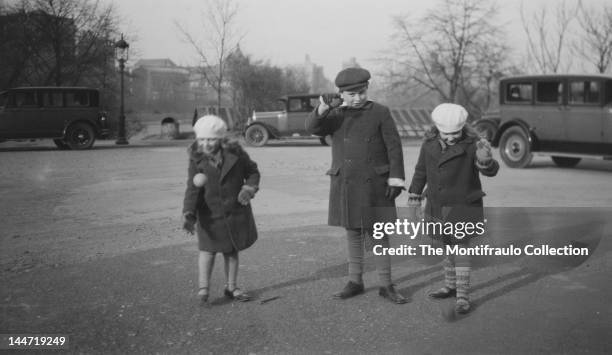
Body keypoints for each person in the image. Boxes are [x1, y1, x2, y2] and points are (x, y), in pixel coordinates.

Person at [306, 67, 407, 304]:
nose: (357, 98)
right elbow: (313, 128)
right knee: (353, 231)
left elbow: (394, 147)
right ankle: (355, 281)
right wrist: (322, 107)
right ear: (341, 94)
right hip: (347, 182)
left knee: (379, 235)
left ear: (367, 89)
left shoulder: (380, 112)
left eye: (361, 92)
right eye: (351, 94)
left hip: (376, 183)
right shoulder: (336, 114)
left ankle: (386, 284)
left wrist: (396, 178)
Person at [407, 103, 499, 314]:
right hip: (437, 204)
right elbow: (421, 170)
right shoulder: (428, 143)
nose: (451, 137)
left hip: (463, 204)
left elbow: (490, 171)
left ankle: (463, 296)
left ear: (464, 127)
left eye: (455, 133)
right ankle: (450, 285)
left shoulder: (474, 144)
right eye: (446, 133)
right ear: (436, 128)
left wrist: (486, 161)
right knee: (447, 247)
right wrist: (414, 195)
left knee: (461, 249)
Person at [182, 115, 260, 306]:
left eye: (210, 139)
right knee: (207, 251)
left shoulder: (237, 155)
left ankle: (231, 287)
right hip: (209, 215)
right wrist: (189, 213)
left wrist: (248, 189)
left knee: (231, 251)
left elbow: (253, 172)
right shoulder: (196, 160)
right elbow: (192, 189)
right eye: (202, 139)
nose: (206, 143)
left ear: (220, 139)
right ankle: (203, 288)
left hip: (234, 212)